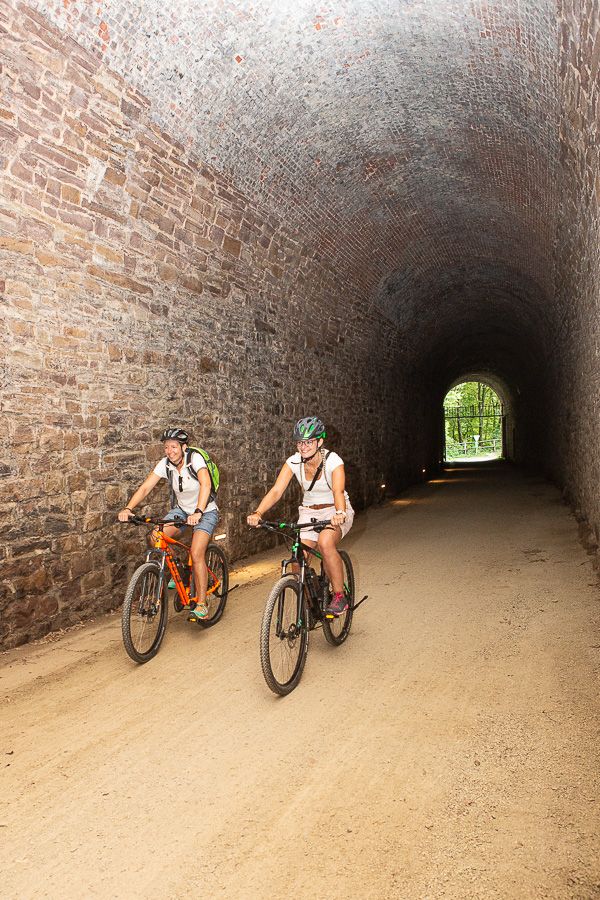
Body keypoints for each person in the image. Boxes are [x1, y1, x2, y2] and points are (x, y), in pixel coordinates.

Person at [247, 416, 354, 616]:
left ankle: (340, 595)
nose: (303, 447)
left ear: (319, 442)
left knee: (325, 542)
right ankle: (308, 600)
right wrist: (258, 512)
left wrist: (340, 513)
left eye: (309, 442)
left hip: (335, 509)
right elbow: (277, 491)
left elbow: (338, 492)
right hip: (309, 512)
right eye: (300, 442)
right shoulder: (293, 462)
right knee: (297, 557)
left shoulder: (333, 461)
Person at [117, 428, 219, 621]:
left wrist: (198, 511)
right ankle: (178, 571)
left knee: (197, 553)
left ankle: (202, 603)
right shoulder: (165, 464)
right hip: (182, 510)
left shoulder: (194, 459)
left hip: (205, 511)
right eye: (166, 447)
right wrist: (128, 508)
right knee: (156, 536)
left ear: (183, 447)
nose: (169, 451)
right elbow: (146, 487)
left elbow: (205, 484)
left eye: (174, 446)